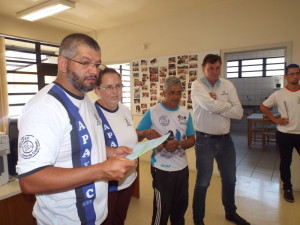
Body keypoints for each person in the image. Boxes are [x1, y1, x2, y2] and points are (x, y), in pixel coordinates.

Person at [16, 33, 136, 225]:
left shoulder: (85, 99)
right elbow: (30, 180)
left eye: (97, 65)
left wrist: (111, 152)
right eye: (85, 62)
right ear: (63, 63)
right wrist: (101, 171)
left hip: (97, 216)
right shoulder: (44, 108)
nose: (93, 71)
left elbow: (84, 144)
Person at [191, 54, 250, 225]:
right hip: (205, 141)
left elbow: (239, 113)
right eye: (211, 68)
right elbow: (209, 106)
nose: (215, 71)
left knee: (230, 179)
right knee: (203, 181)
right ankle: (198, 219)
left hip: (226, 140)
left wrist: (217, 103)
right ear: (204, 68)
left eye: (217, 67)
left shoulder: (227, 85)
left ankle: (231, 213)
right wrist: (224, 105)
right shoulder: (197, 85)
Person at [136, 76, 195, 225]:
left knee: (180, 209)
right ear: (164, 92)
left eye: (179, 93)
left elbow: (192, 139)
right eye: (172, 93)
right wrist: (145, 133)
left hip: (182, 169)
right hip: (161, 170)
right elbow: (137, 135)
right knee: (162, 211)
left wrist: (179, 144)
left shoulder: (185, 113)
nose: (176, 97)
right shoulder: (153, 111)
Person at [94, 67, 138, 225]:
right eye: (109, 87)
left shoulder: (125, 110)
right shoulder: (92, 114)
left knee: (120, 220)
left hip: (129, 179)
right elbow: (91, 150)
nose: (115, 91)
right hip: (107, 184)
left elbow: (130, 139)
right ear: (97, 89)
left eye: (118, 86)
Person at [260, 63, 300, 203]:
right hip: (285, 134)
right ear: (286, 76)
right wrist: (274, 119)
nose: (295, 76)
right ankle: (287, 189)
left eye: (297, 73)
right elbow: (264, 107)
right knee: (285, 162)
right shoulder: (279, 94)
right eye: (292, 73)